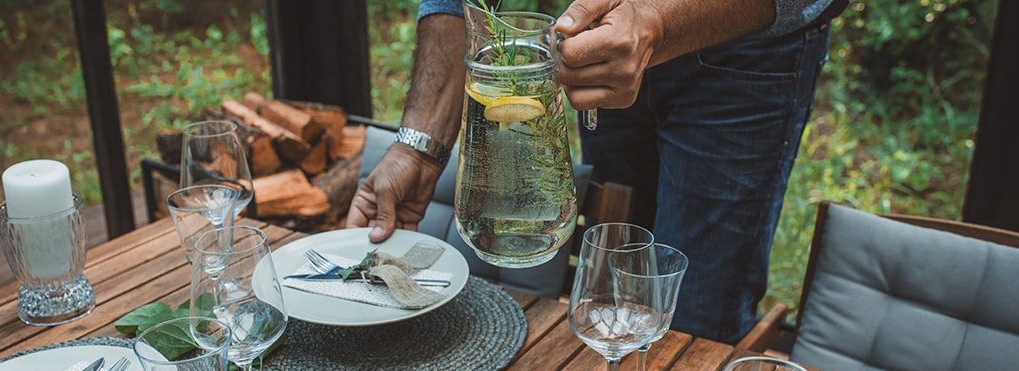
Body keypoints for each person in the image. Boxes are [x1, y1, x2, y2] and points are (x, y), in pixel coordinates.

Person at [346, 0, 846, 345]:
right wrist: (420, 148)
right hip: (598, 36)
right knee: (615, 296)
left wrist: (655, 21)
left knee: (695, 312)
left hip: (745, 46)